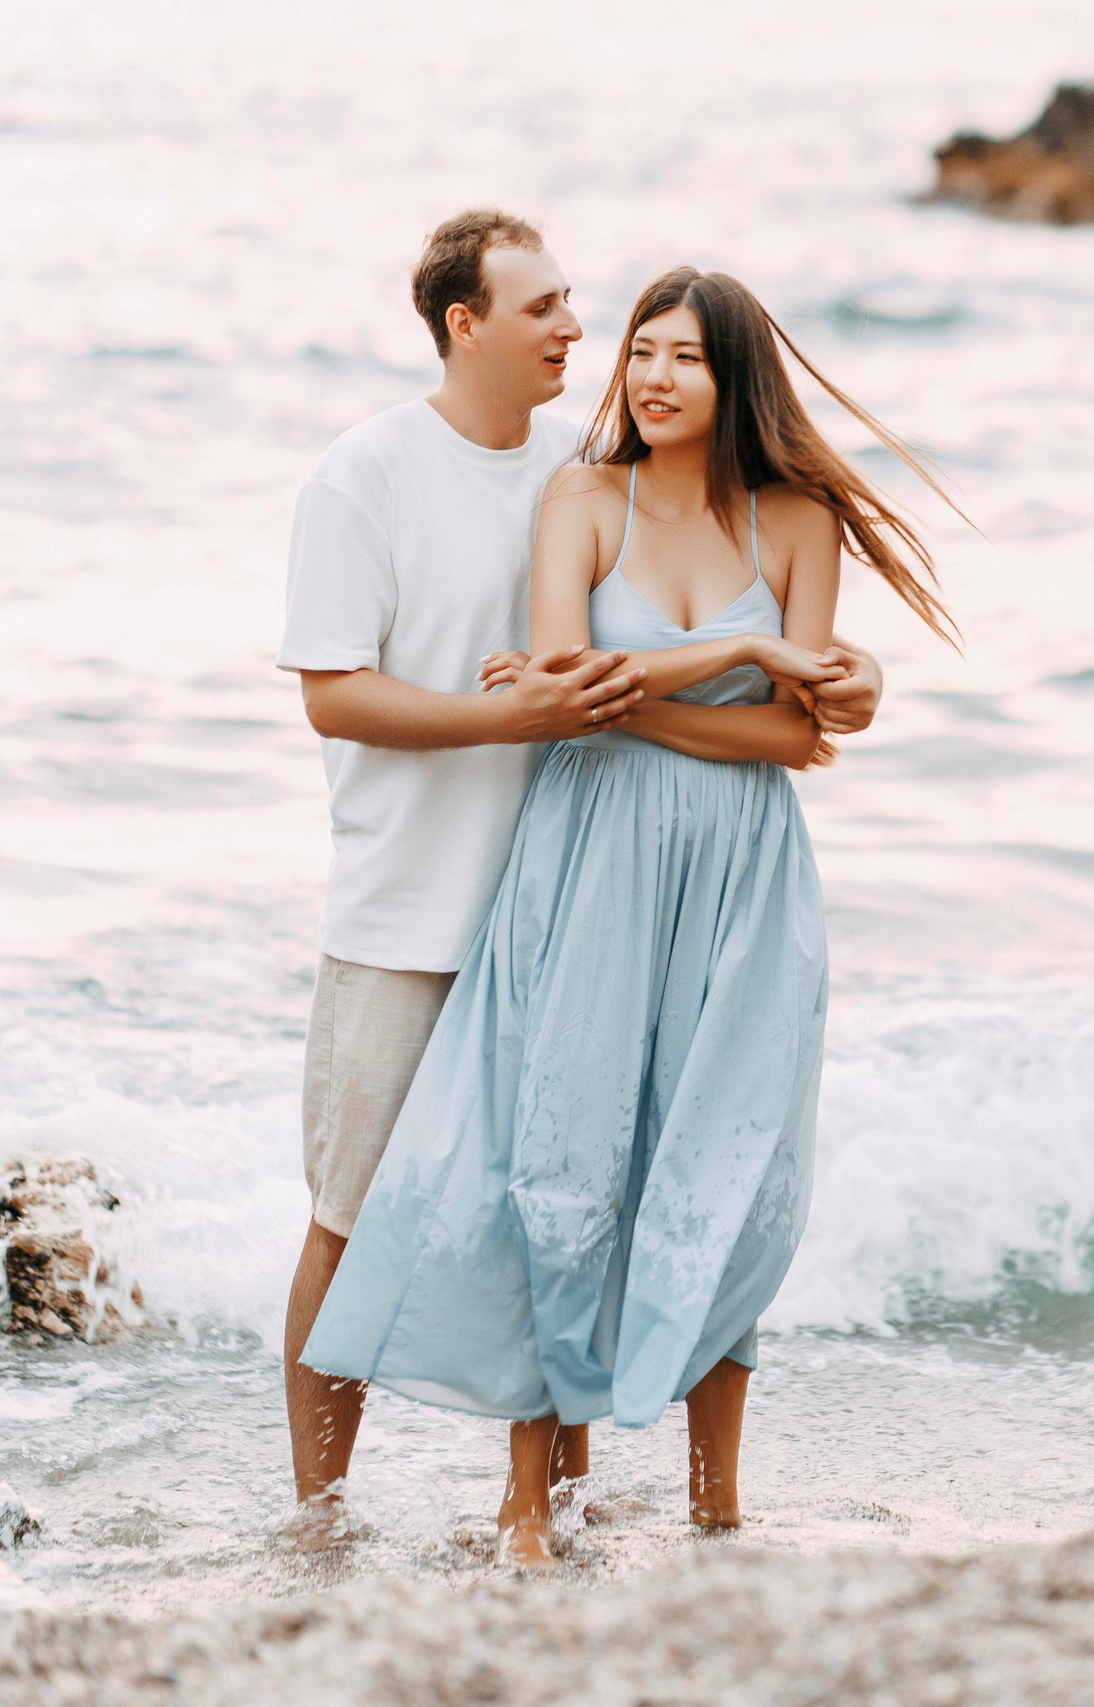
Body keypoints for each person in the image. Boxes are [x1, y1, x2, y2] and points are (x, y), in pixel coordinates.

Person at [299, 263, 959, 1567]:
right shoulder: (581, 497)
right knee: (566, 1161)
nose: (652, 376)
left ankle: (717, 1501)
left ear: (737, 382)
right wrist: (739, 654)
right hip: (591, 854)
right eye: (641, 351)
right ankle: (526, 1503)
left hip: (743, 881)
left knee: (730, 1166)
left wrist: (648, 697)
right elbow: (563, 672)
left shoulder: (797, 521)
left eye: (686, 359)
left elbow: (791, 740)